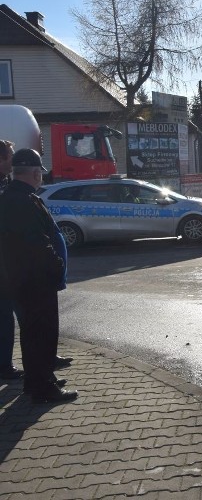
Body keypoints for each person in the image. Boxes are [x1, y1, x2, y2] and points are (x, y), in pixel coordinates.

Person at [0, 148, 77, 403]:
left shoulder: (15, 197)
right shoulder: (22, 201)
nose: (40, 177)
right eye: (40, 173)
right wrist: (55, 265)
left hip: (23, 278)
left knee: (34, 334)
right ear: (35, 173)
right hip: (34, 280)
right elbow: (37, 242)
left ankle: (39, 380)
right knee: (40, 334)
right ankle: (43, 388)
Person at [0, 139, 23, 380]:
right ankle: (4, 366)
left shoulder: (7, 182)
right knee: (4, 316)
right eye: (10, 156)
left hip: (9, 261)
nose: (13, 161)